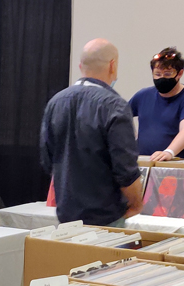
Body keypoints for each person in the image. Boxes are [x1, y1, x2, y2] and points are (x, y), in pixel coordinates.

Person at [41, 38, 143, 227]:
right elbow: (125, 167)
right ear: (112, 66)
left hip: (66, 216)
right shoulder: (115, 106)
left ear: (80, 66)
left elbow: (48, 160)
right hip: (107, 217)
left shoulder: (55, 103)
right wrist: (137, 204)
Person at [129, 47, 184, 161]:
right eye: (157, 74)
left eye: (167, 74)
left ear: (180, 73)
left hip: (175, 164)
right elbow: (121, 116)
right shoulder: (143, 95)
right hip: (145, 162)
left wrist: (169, 152)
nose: (162, 78)